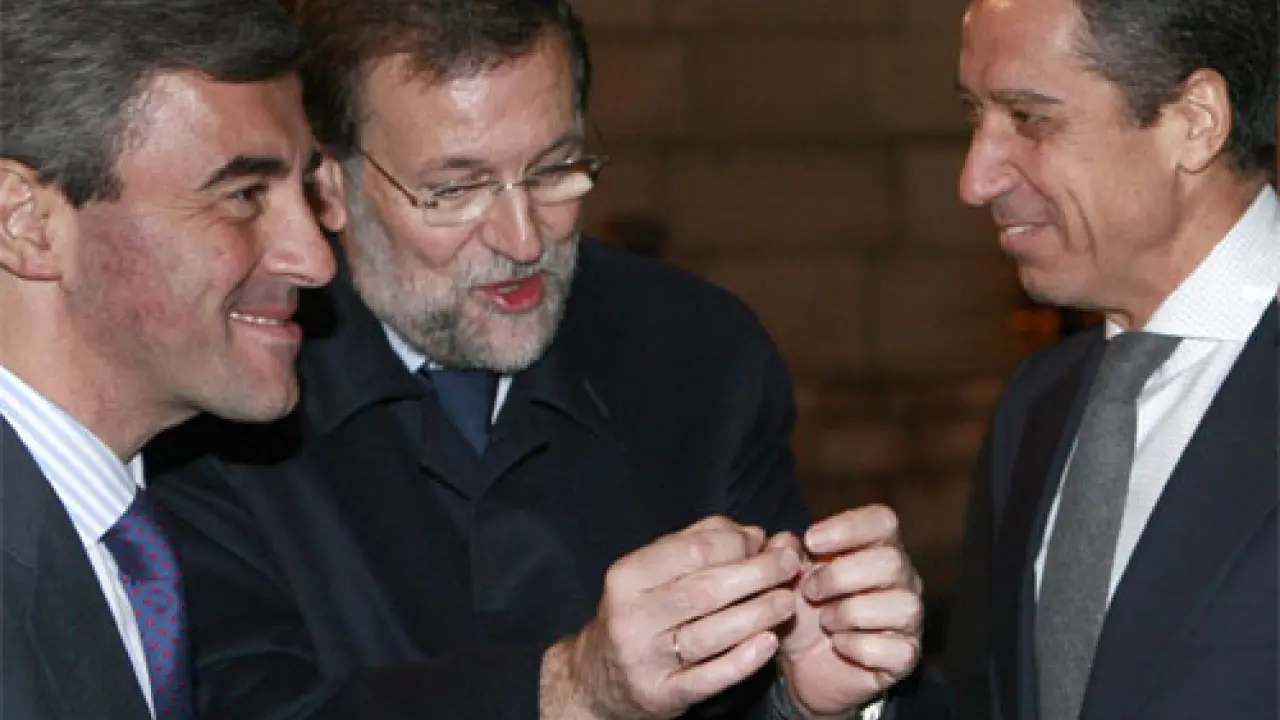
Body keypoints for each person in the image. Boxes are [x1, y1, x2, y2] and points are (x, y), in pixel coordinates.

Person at [146, 0, 929, 718]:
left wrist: (809, 703)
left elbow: (755, 694)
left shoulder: (698, 354)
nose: (523, 240)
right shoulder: (213, 389)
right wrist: (571, 691)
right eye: (456, 190)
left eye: (555, 171)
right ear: (330, 187)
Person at [0, 0, 339, 718]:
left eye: (304, 187)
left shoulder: (131, 530)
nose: (315, 259)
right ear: (27, 225)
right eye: (244, 195)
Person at [943, 0, 1277, 718]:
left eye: (1029, 118)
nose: (975, 180)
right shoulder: (1037, 402)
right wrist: (848, 702)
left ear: (1195, 122)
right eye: (975, 115)